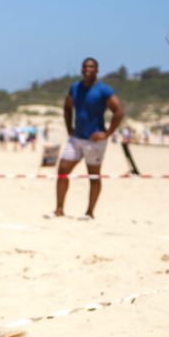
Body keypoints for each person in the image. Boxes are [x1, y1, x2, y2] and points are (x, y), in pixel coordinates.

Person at [54, 57, 123, 219]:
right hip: (77, 137)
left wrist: (107, 133)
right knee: (63, 170)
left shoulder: (103, 90)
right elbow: (67, 107)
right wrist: (69, 127)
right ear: (81, 69)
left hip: (95, 140)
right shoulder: (75, 88)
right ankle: (59, 209)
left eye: (91, 67)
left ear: (97, 70)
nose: (88, 69)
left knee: (93, 176)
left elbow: (119, 112)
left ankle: (90, 212)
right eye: (85, 66)